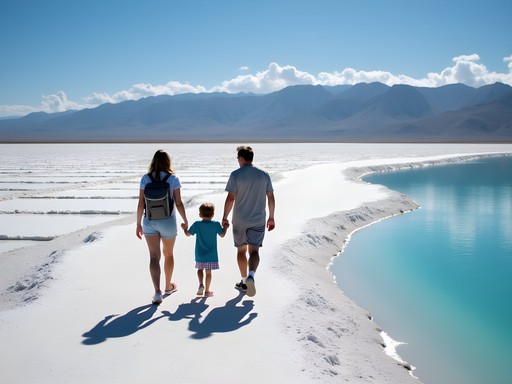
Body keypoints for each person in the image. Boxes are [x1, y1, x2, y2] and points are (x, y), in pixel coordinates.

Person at [136, 149, 188, 305]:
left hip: (149, 221)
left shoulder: (145, 179)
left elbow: (140, 204)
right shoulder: (173, 179)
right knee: (168, 255)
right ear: (168, 162)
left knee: (153, 257)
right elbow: (178, 203)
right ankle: (168, 286)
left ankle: (157, 292)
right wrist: (185, 220)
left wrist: (138, 224)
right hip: (168, 221)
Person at [222, 146, 275, 297]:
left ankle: (244, 281)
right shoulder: (264, 174)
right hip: (258, 220)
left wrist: (224, 216)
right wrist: (271, 217)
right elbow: (270, 197)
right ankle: (251, 275)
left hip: (239, 220)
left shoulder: (235, 175)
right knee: (254, 251)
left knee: (241, 250)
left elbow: (231, 198)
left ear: (241, 159)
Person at [181, 202, 229, 297]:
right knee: (208, 272)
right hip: (211, 254)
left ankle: (201, 284)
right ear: (213, 214)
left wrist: (184, 228)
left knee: (199, 269)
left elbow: (187, 234)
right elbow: (222, 235)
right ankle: (207, 291)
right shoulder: (215, 224)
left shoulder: (197, 224)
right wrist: (225, 228)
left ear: (200, 214)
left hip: (200, 253)